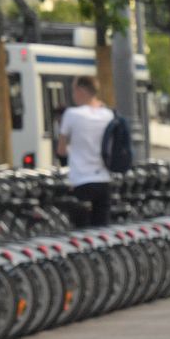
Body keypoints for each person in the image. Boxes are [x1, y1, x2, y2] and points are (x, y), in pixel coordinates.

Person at [55, 75, 114, 227]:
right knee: (101, 231)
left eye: (73, 90)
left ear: (81, 91)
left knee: (81, 232)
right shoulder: (108, 114)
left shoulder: (72, 114)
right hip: (104, 180)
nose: (73, 95)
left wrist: (73, 151)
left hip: (81, 181)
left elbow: (61, 150)